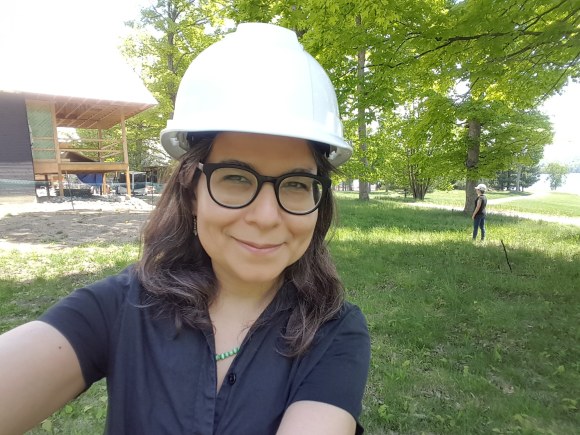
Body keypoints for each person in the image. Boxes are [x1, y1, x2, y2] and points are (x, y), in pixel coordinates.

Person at [0, 23, 371, 435]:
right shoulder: (119, 309)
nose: (267, 217)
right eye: (236, 178)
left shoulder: (334, 333)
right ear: (192, 191)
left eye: (297, 184)